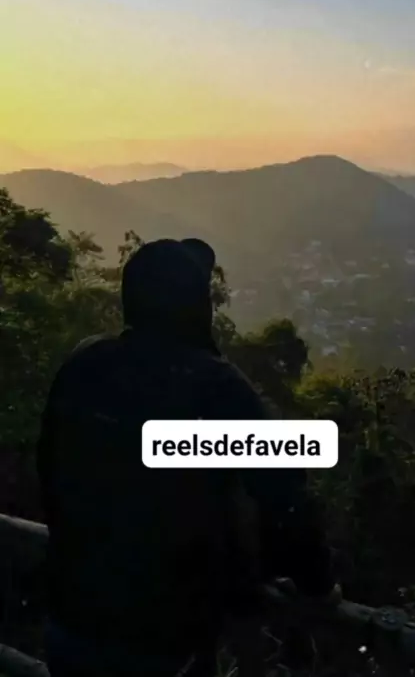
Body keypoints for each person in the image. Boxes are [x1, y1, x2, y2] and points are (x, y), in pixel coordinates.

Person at [37, 238, 339, 677]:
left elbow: (49, 471)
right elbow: (286, 500)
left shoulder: (85, 365)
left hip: (70, 622)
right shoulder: (214, 385)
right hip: (162, 641)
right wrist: (318, 586)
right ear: (199, 305)